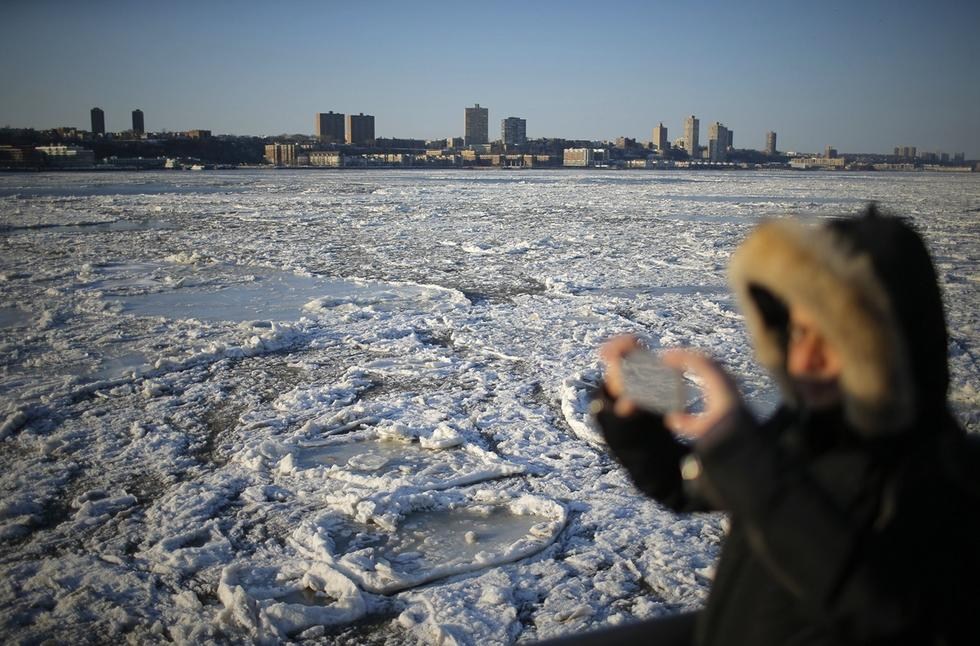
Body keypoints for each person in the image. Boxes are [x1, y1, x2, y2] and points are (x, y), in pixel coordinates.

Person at [591, 206, 979, 645]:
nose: (803, 361)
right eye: (798, 333)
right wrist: (636, 426)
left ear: (890, 348)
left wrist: (739, 451)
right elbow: (687, 486)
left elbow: (883, 610)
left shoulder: (941, 479)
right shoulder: (808, 432)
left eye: (831, 339)